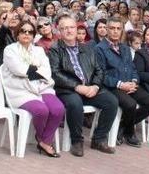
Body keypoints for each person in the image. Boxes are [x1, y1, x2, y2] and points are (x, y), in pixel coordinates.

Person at [49, 15, 119, 157]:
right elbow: (55, 73)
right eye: (65, 28)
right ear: (59, 31)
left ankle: (99, 139)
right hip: (67, 90)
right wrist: (76, 86)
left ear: (77, 29)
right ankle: (76, 141)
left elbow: (99, 70)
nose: (69, 31)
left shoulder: (87, 49)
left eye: (72, 27)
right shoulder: (55, 49)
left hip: (89, 88)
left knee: (111, 101)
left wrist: (95, 86)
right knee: (75, 103)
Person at [0, 21, 64, 157]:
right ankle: (44, 140)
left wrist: (31, 70)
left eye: (30, 32)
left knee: (58, 109)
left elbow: (46, 71)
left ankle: (43, 140)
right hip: (20, 91)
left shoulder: (39, 50)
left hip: (41, 87)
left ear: (34, 35)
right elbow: (18, 69)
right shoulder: (10, 50)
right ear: (17, 33)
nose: (26, 34)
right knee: (41, 111)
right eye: (23, 31)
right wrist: (35, 69)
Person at [95, 18, 149, 147]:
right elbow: (101, 74)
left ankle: (122, 126)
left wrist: (134, 82)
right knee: (130, 104)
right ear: (107, 30)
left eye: (118, 29)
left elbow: (133, 68)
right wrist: (120, 84)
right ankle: (129, 133)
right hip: (112, 87)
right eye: (112, 28)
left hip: (129, 84)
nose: (115, 31)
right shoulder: (99, 49)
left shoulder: (125, 48)